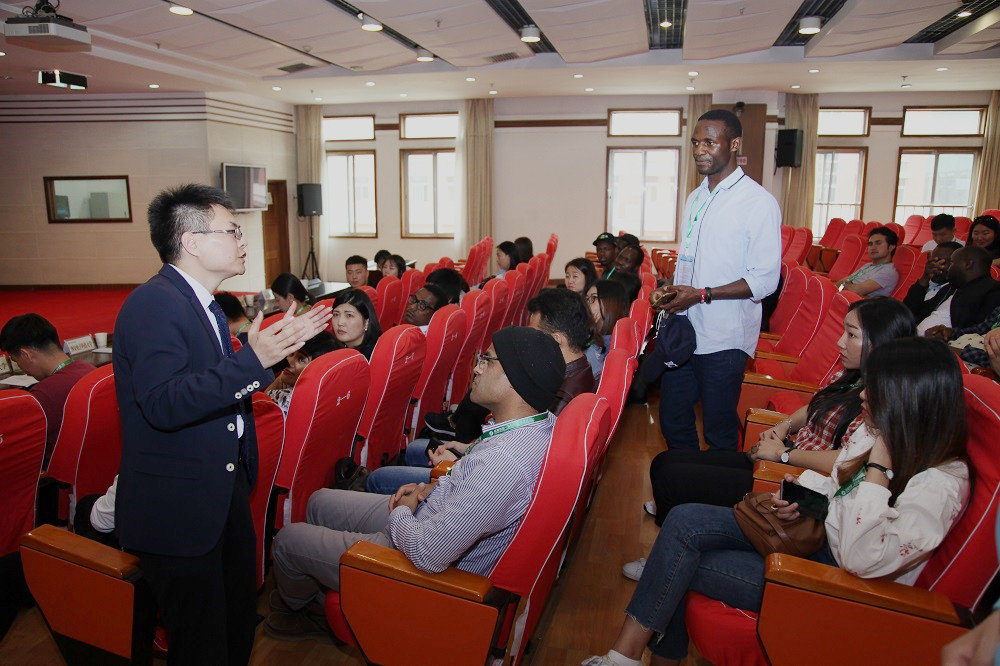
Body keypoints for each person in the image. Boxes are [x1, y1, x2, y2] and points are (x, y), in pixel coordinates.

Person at [585, 337, 970, 666]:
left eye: (877, 389)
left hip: (835, 583)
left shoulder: (940, 483)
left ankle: (630, 657)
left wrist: (879, 468)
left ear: (910, 399)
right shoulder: (880, 432)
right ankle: (628, 656)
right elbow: (837, 487)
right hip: (813, 537)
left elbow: (861, 558)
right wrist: (802, 502)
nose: (863, 395)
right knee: (684, 521)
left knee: (682, 563)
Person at [113, 184, 331, 665]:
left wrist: (265, 355)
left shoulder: (203, 303)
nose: (242, 240)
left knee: (234, 627)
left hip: (219, 491)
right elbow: (163, 404)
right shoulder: (154, 304)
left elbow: (211, 385)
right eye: (232, 231)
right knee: (202, 644)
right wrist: (254, 360)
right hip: (177, 508)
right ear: (191, 241)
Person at [265, 327, 564, 641]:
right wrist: (437, 487)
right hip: (429, 515)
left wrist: (404, 511)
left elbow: (427, 554)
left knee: (287, 541)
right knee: (318, 501)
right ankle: (316, 587)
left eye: (486, 361)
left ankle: (304, 612)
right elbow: (476, 491)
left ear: (516, 379)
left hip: (416, 562)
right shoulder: (538, 423)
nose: (476, 368)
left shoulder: (502, 465)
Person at [628, 297, 915, 580]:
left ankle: (662, 563)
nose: (840, 342)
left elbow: (846, 462)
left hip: (794, 476)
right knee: (665, 462)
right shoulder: (850, 375)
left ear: (880, 342)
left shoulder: (878, 400)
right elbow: (815, 406)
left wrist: (783, 455)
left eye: (851, 335)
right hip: (784, 455)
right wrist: (784, 426)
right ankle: (667, 545)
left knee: (675, 478)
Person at [367, 289, 595, 494]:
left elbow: (506, 467)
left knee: (378, 479)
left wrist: (457, 465)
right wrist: (470, 449)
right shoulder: (578, 373)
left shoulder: (561, 395)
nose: (526, 340)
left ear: (556, 340)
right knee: (417, 450)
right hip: (483, 456)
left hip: (479, 475)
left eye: (533, 334)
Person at [646, 109, 781, 451]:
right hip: (686, 332)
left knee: (719, 431)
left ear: (734, 144)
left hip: (725, 338)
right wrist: (672, 288)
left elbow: (765, 280)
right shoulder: (696, 197)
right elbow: (692, 261)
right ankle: (686, 483)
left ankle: (719, 487)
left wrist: (702, 294)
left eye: (709, 142)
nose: (699, 150)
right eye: (695, 142)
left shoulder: (758, 203)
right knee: (674, 419)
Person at [0, 313, 96, 467]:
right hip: (95, 462)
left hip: (59, 471)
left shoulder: (42, 395)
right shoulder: (89, 369)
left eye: (17, 361)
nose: (24, 370)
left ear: (26, 355)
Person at [921, 246, 1000, 337]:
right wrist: (925, 277)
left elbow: (981, 331)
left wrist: (948, 333)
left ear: (968, 264)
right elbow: (919, 311)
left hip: (945, 343)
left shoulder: (993, 291)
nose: (948, 269)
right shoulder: (950, 288)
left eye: (952, 263)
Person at [266, 331, 339, 415]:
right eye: (291, 354)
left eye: (301, 360)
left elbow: (259, 405)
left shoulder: (282, 397)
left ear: (319, 368)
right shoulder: (335, 395)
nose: (289, 362)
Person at [902, 241, 961, 323]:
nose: (934, 265)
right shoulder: (925, 281)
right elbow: (905, 310)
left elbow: (924, 316)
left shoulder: (953, 291)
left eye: (941, 262)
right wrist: (925, 277)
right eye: (932, 260)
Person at [836, 226, 899, 297]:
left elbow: (855, 291)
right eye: (870, 244)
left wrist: (845, 284)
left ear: (891, 247)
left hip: (857, 302)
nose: (873, 247)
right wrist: (846, 285)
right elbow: (840, 282)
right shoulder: (868, 265)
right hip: (843, 296)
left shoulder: (888, 272)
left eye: (878, 243)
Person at [585, 280, 629, 379]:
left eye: (594, 298)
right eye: (587, 299)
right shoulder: (599, 334)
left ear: (612, 303)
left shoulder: (605, 344)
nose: (587, 304)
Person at [330, 288, 382, 359]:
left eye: (349, 315)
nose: (340, 322)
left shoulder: (367, 358)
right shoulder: (336, 348)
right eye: (336, 314)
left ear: (366, 322)